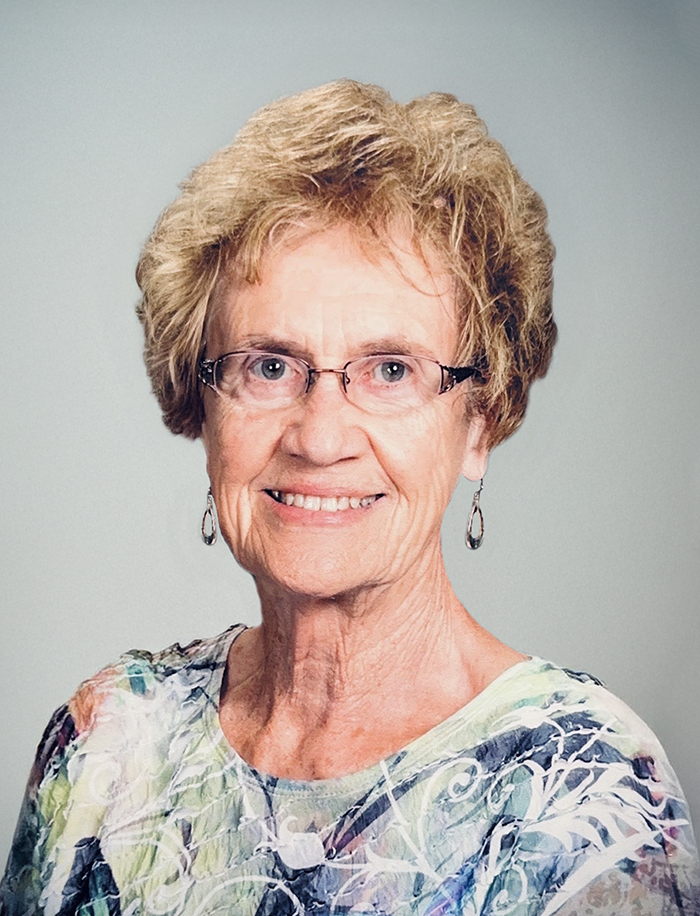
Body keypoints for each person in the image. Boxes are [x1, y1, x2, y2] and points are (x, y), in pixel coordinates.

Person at [1, 80, 698, 916]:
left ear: (480, 422)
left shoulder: (582, 797)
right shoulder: (106, 746)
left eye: (391, 370)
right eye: (269, 365)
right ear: (203, 405)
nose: (320, 436)